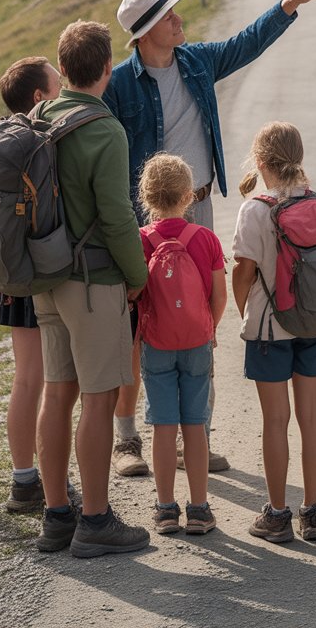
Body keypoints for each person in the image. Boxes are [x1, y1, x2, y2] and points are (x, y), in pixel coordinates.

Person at [103, 0, 316, 476]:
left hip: (199, 208)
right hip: (146, 217)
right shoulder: (119, 84)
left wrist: (293, 1)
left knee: (200, 319)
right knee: (138, 325)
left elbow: (246, 43)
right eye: (168, 16)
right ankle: (127, 440)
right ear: (145, 33)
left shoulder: (196, 61)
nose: (178, 19)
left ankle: (196, 437)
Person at [32, 20, 150, 558]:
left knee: (57, 393)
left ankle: (57, 515)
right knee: (99, 400)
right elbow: (118, 217)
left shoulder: (38, 117)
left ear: (61, 69)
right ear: (107, 69)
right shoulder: (105, 130)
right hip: (93, 281)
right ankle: (97, 521)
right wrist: (137, 276)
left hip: (46, 276)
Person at [232, 122, 316, 543]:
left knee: (275, 420)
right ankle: (313, 512)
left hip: (270, 330)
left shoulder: (255, 210)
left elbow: (243, 272)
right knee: (311, 417)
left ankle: (277, 515)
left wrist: (244, 313)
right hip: (312, 323)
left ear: (259, 161)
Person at [0, 56, 78, 514]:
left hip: (11, 270)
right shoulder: (40, 140)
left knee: (25, 378)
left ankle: (23, 480)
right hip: (38, 268)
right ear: (38, 97)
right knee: (48, 381)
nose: (63, 89)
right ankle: (50, 484)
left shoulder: (2, 140)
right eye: (57, 84)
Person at [137, 154, 227, 535]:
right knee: (195, 424)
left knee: (163, 426)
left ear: (146, 197)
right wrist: (209, 328)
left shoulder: (142, 240)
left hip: (157, 343)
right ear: (189, 196)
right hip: (196, 342)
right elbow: (219, 296)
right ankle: (199, 509)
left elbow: (134, 292)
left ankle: (165, 509)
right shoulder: (205, 239)